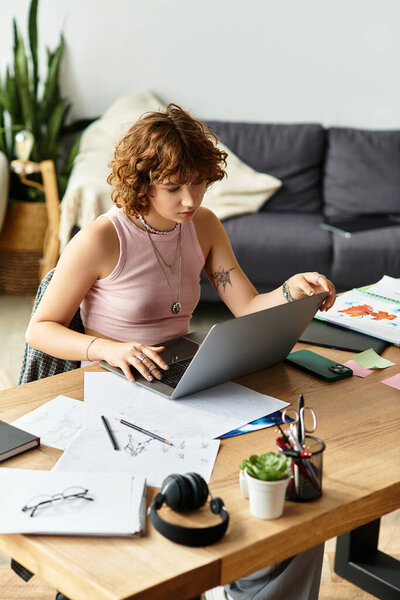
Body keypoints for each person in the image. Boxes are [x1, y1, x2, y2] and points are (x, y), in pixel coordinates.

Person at [26, 104, 335, 600]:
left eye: (198, 183)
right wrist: (107, 347)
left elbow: (249, 306)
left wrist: (293, 291)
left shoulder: (204, 225)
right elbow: (39, 330)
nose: (190, 200)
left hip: (182, 377)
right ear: (142, 180)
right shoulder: (104, 237)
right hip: (116, 389)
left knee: (282, 499)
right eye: (174, 187)